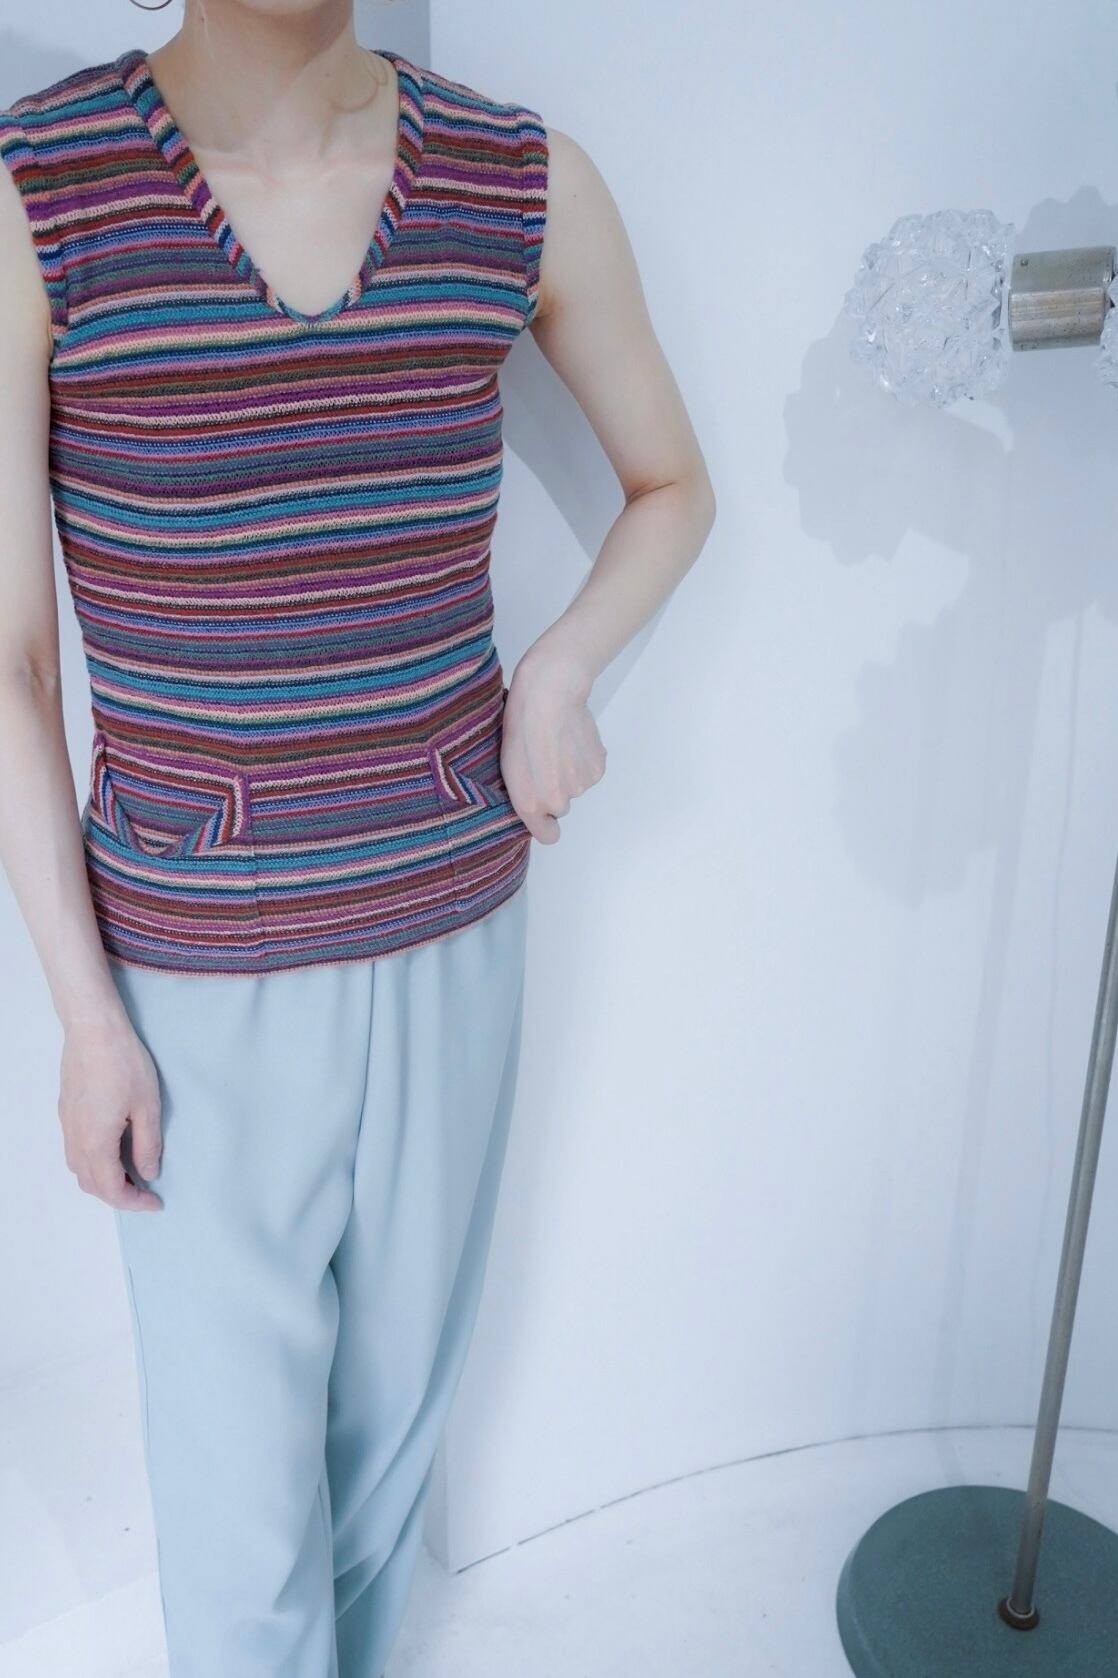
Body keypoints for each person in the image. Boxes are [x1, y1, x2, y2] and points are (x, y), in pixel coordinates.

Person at [0, 3, 716, 1673]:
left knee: (385, 1456)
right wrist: (88, 1019)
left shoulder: (518, 179)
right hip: (194, 969)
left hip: (455, 917)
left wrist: (559, 667)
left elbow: (671, 485)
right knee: (241, 1517)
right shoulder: (43, 196)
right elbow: (14, 662)